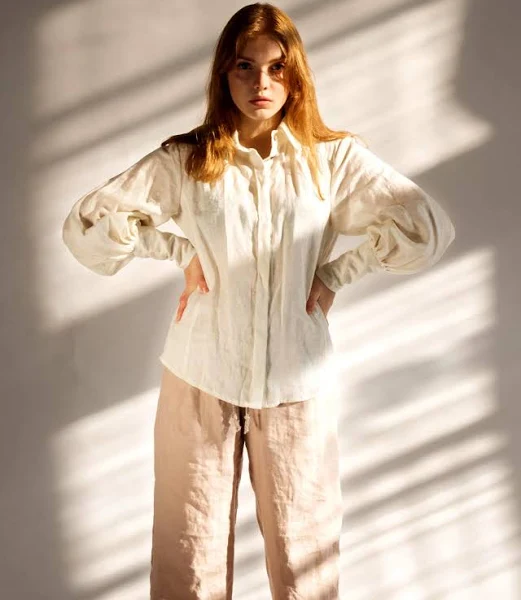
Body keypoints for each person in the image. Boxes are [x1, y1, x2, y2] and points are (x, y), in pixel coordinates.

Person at [62, 3, 456, 599]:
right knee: (188, 558)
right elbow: (88, 224)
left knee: (306, 561)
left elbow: (424, 227)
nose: (261, 83)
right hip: (200, 374)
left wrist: (337, 273)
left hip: (297, 380)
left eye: (277, 67)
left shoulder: (333, 159)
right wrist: (177, 250)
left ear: (296, 74)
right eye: (245, 66)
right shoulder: (188, 159)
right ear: (224, 72)